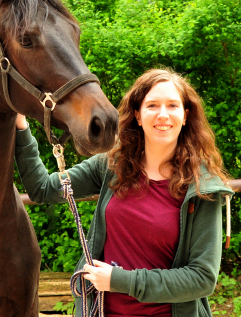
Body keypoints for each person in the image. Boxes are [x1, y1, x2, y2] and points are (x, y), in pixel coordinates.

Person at [14, 68, 233, 317]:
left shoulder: (202, 188)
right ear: (138, 115)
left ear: (185, 115)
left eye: (172, 106)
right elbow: (43, 188)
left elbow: (202, 279)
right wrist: (21, 126)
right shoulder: (112, 165)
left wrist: (119, 280)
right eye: (152, 105)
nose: (163, 114)